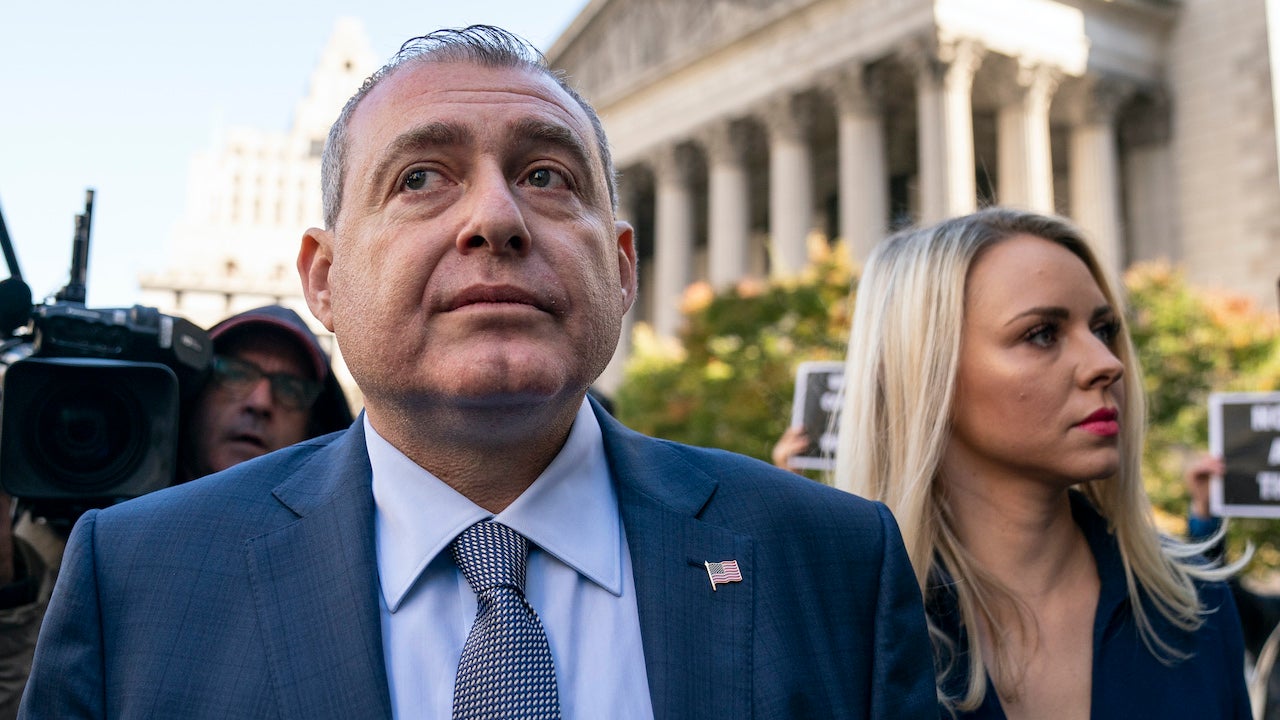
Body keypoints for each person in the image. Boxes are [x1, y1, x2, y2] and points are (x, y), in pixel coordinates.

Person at [21, 25, 935, 719]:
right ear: (325, 279)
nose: (495, 218)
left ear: (622, 270)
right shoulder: (135, 580)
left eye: (546, 175)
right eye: (421, 178)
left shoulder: (836, 562)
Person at [834, 207, 1250, 718]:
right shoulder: (843, 629)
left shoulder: (1194, 606)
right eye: (1042, 334)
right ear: (925, 371)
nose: (1107, 363)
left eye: (1104, 329)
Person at [0, 304, 351, 719]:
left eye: (290, 388)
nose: (260, 401)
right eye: (234, 373)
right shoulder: (92, 540)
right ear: (194, 394)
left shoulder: (339, 563)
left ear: (316, 424)